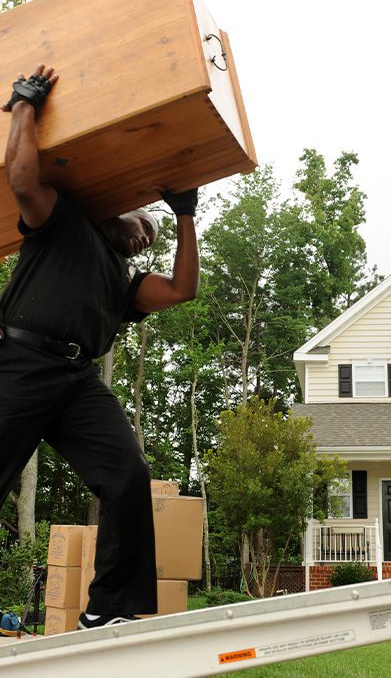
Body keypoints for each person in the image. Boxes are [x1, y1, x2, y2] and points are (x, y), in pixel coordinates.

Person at [0, 64, 201, 629]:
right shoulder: (62, 221)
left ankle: (108, 609)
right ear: (117, 204)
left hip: (77, 380)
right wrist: (23, 105)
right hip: (19, 364)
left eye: (151, 238)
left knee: (129, 477)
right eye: (144, 222)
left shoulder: (127, 285)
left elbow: (184, 288)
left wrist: (183, 214)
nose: (145, 236)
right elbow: (20, 179)